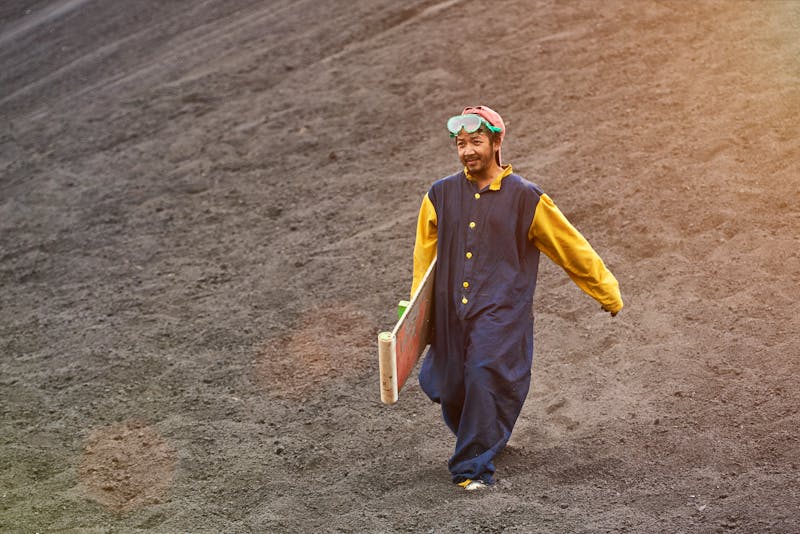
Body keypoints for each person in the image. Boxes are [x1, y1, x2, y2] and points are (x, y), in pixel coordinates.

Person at [411, 105, 623, 491]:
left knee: (483, 374)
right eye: (461, 144)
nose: (468, 151)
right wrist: (416, 316)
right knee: (452, 386)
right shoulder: (439, 194)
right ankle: (486, 436)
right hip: (450, 311)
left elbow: (570, 247)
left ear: (496, 142)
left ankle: (471, 469)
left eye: (476, 141)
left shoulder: (526, 198)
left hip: (501, 313)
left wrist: (605, 291)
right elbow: (424, 259)